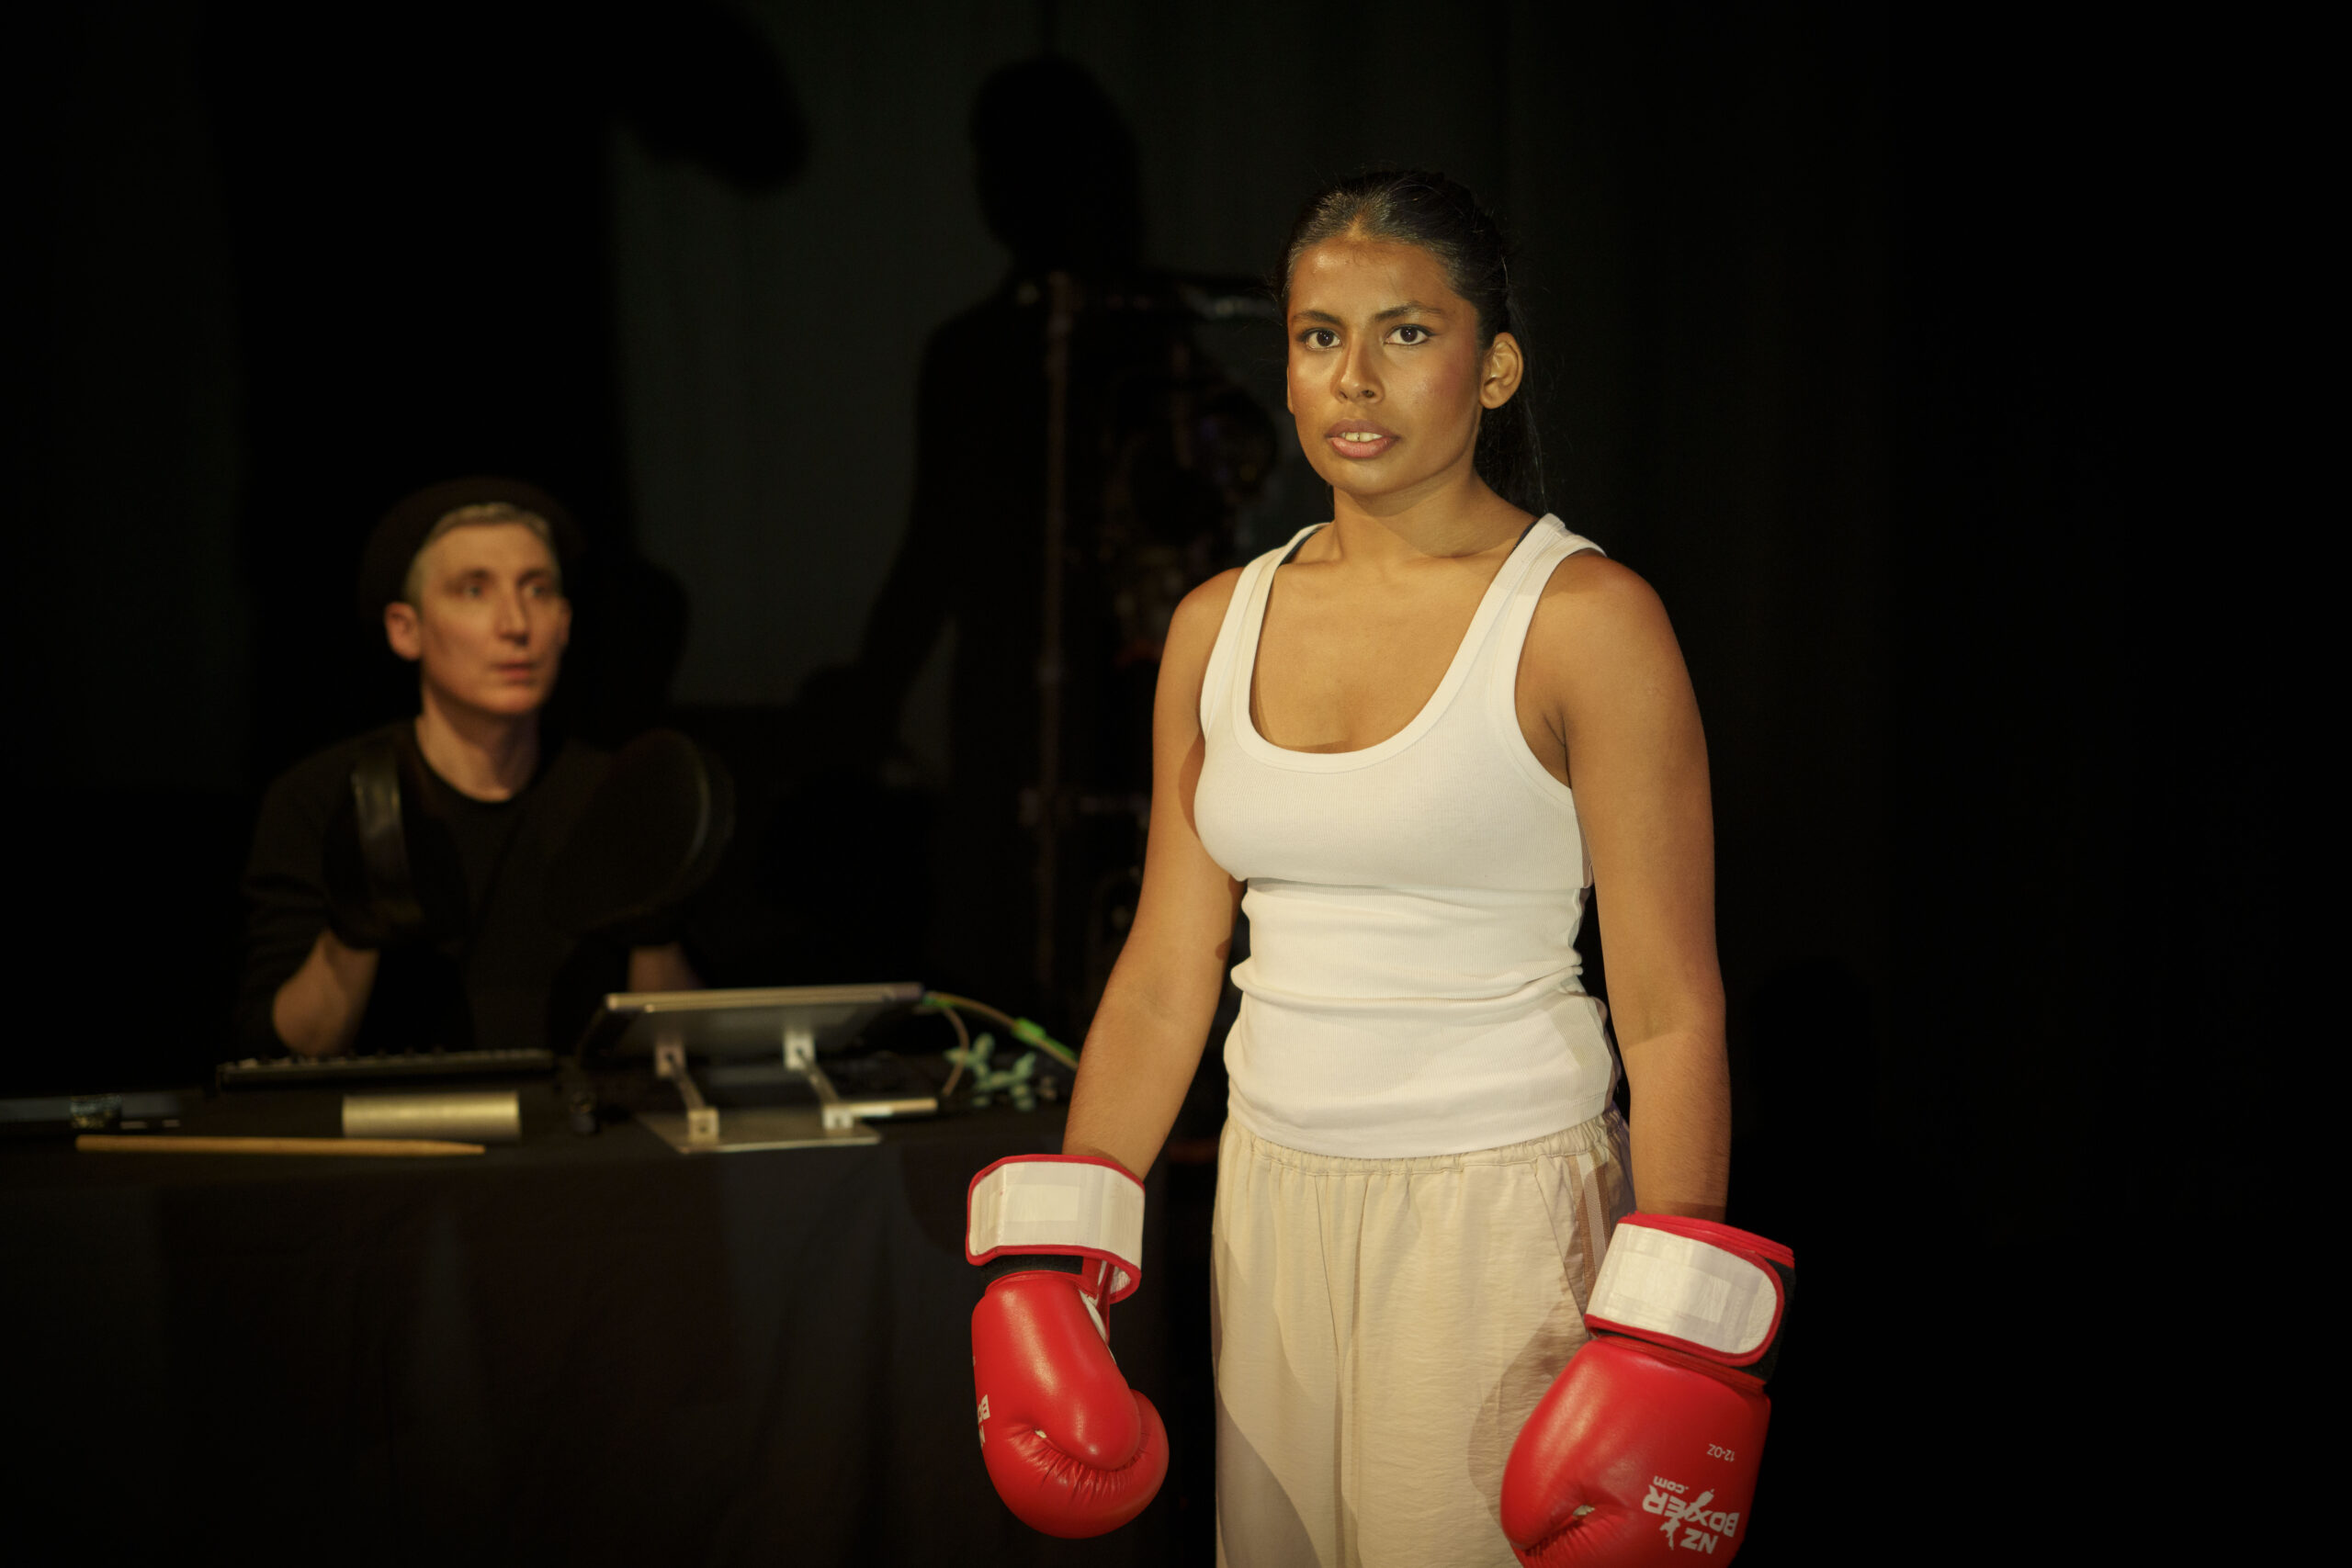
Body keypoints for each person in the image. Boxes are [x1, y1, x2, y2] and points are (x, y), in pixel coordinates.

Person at [963, 174, 1792, 1565]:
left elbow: (1669, 1007)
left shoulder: (1586, 619)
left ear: (1497, 365)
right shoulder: (1215, 622)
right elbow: (1171, 973)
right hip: (1271, 1197)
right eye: (1315, 335)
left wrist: (1671, 1335)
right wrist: (1067, 1241)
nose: (1354, 375)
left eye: (1406, 332)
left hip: (1499, 1215)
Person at [238, 478, 701, 1060]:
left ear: (564, 622)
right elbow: (277, 1057)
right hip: (391, 1140)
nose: (515, 624)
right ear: (405, 629)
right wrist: (351, 936)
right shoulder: (323, 797)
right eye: (474, 591)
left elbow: (679, 1061)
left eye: (536, 590)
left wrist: (653, 929)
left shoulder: (617, 794)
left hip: (582, 1137)